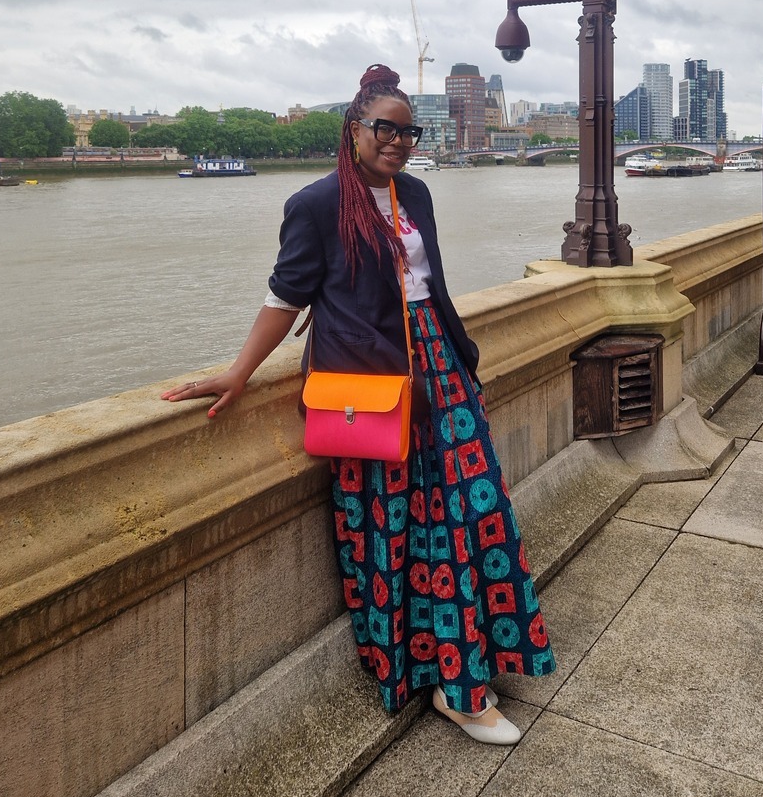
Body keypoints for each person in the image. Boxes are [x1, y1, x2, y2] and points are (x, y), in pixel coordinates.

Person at [162, 63, 555, 744]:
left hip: (441, 371)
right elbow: (286, 297)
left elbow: (430, 286)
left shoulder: (418, 194)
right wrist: (238, 372)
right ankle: (441, 683)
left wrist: (457, 358)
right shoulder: (315, 205)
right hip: (373, 386)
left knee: (472, 511)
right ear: (354, 129)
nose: (398, 141)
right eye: (386, 128)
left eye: (409, 130)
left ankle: (472, 664)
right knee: (399, 529)